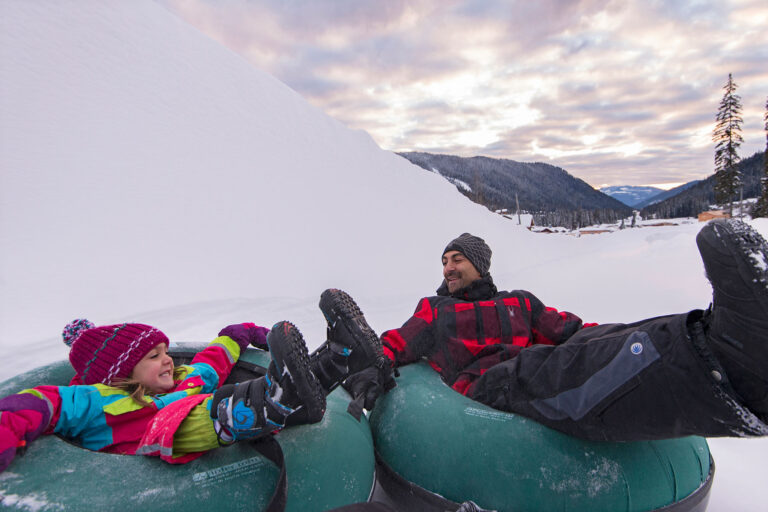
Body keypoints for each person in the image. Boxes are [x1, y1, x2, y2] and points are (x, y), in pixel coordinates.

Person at [343, 220, 768, 442]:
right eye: (444, 261)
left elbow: (571, 331)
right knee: (542, 366)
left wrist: (622, 336)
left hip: (530, 366)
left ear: (479, 264)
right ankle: (734, 367)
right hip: (489, 384)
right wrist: (374, 363)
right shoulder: (436, 309)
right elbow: (396, 343)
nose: (448, 268)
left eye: (457, 259)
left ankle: (715, 337)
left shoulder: (520, 301)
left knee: (597, 339)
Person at [0, 288, 385, 472]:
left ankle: (337, 358)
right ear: (122, 372)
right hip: (151, 454)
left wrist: (244, 332)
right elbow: (39, 403)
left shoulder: (186, 378)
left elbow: (215, 356)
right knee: (176, 418)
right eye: (154, 357)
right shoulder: (92, 400)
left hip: (215, 417)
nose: (168, 360)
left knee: (205, 394)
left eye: (166, 351)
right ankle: (267, 401)